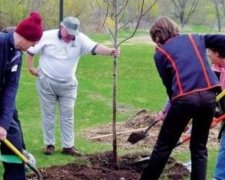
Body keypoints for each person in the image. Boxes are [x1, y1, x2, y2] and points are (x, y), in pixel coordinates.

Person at [140, 16, 225, 180]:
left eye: (155, 40)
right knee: (199, 148)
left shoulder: (160, 54)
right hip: (209, 97)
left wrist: (169, 111)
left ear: (158, 37)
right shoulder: (196, 38)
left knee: (163, 147)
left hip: (184, 100)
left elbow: (170, 87)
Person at [26, 16, 120, 156]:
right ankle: (49, 145)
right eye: (68, 33)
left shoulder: (80, 39)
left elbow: (95, 47)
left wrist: (111, 51)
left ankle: (68, 146)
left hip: (68, 85)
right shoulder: (47, 36)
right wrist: (31, 68)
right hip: (46, 82)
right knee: (48, 114)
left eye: (73, 34)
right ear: (61, 26)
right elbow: (30, 51)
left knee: (68, 115)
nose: (70, 36)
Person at [0, 12, 43, 180]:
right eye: (34, 42)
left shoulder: (17, 53)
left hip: (2, 100)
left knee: (13, 138)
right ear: (27, 37)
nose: (34, 46)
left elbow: (11, 87)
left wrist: (3, 124)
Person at [207, 48, 225, 180]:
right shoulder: (216, 70)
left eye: (210, 51)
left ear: (217, 53)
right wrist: (214, 115)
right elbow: (215, 96)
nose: (208, 54)